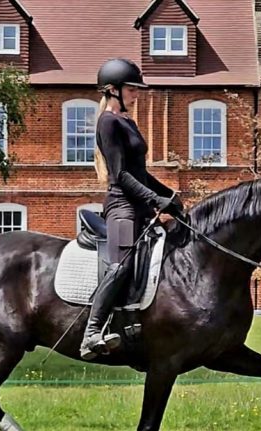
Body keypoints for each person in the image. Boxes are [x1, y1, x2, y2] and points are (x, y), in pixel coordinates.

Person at [80, 58, 186, 360]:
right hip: (121, 207)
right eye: (132, 88)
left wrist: (170, 196)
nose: (137, 93)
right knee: (121, 264)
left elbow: (140, 172)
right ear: (112, 90)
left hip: (140, 203)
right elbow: (122, 175)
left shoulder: (127, 121)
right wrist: (156, 200)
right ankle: (92, 332)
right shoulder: (108, 123)